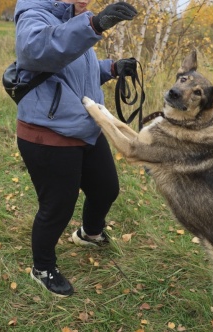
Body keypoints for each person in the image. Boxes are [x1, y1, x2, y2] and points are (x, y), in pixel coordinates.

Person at [14, 0, 138, 297]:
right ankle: (42, 267)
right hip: (49, 132)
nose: (84, 0)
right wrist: (94, 25)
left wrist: (111, 67)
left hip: (86, 126)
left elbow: (74, 67)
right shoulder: (33, 15)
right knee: (57, 207)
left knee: (106, 188)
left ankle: (89, 234)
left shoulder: (72, 19)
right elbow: (38, 52)